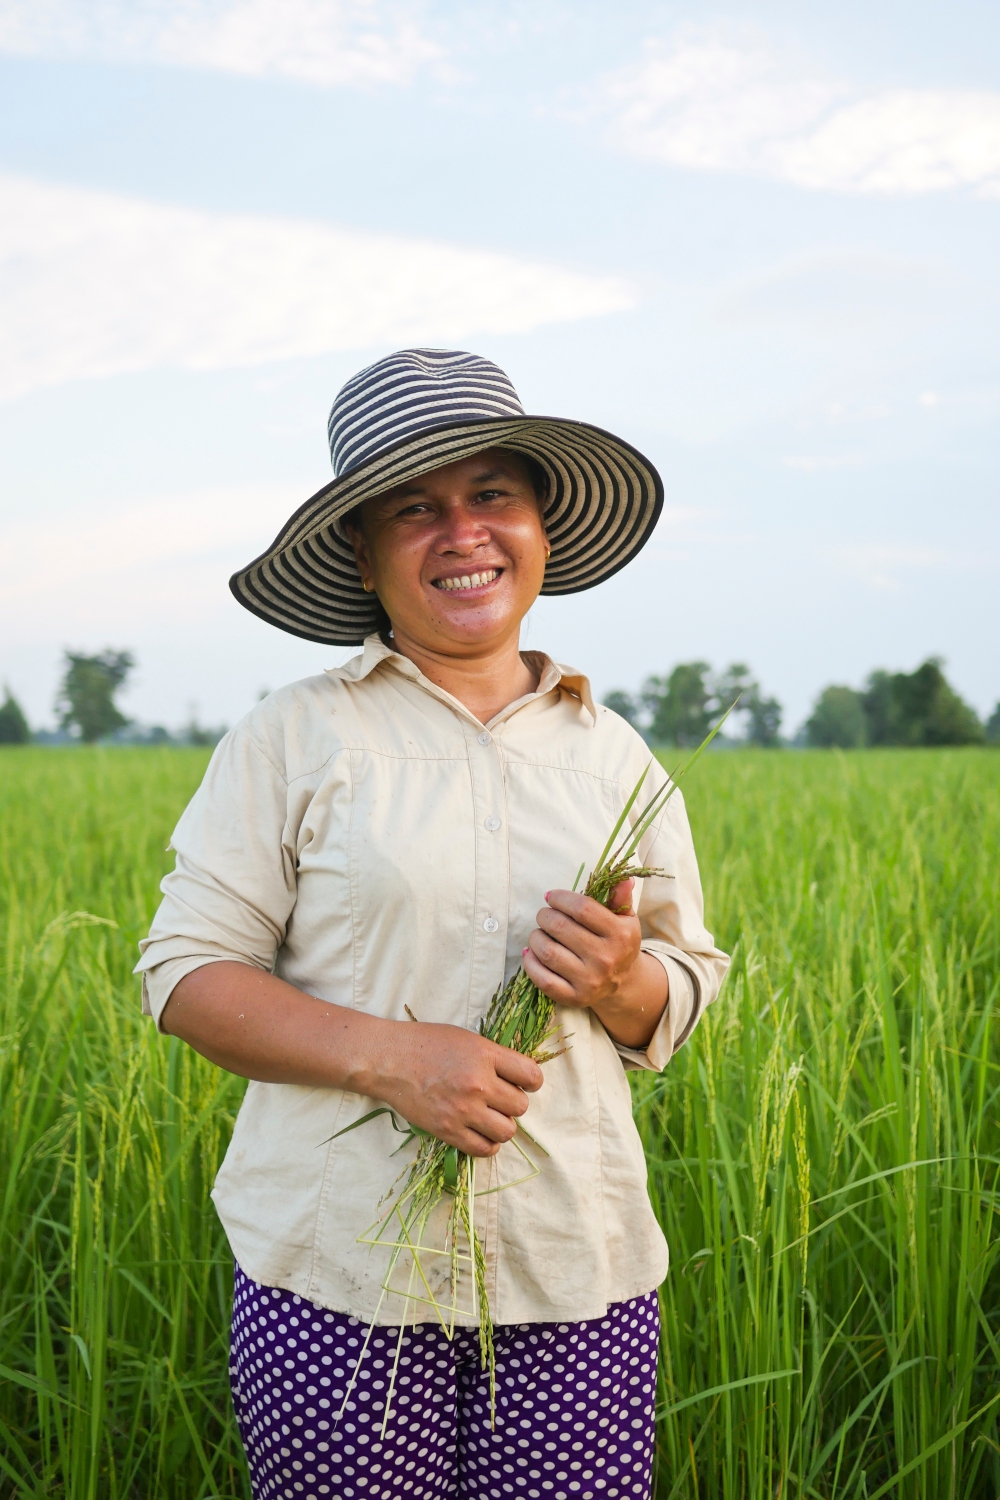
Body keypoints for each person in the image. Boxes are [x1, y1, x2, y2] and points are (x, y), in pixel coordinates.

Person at [137, 347, 730, 1500]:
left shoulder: (615, 755)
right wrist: (393, 1059)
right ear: (363, 551)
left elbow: (684, 983)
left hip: (574, 1269)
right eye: (415, 508)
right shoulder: (293, 738)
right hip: (340, 1277)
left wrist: (622, 984)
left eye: (490, 495)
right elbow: (185, 973)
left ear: (541, 526)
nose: (461, 532)